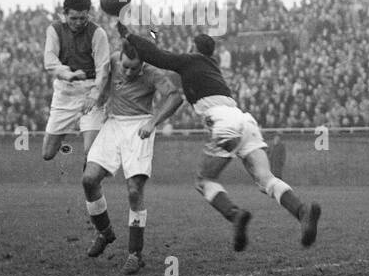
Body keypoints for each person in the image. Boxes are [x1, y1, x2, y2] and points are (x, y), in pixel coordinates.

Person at [116, 19, 320, 252]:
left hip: (225, 123)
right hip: (245, 120)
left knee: (204, 182)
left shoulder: (191, 60)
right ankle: (302, 212)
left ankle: (235, 216)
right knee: (266, 179)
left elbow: (157, 55)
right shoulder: (212, 68)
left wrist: (129, 36)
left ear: (193, 49)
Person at [82, 40, 183, 274]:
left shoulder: (152, 73)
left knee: (134, 190)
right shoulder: (114, 59)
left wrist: (152, 122)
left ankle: (135, 254)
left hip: (139, 126)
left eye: (133, 68)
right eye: (125, 66)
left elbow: (176, 97)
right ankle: (105, 232)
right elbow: (101, 82)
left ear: (143, 63)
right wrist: (96, 98)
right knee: (88, 179)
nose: (127, 72)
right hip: (114, 123)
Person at [42, 0, 110, 161]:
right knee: (47, 153)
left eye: (82, 18)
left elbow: (103, 68)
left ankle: (91, 185)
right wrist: (68, 75)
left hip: (90, 91)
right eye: (73, 18)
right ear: (65, 14)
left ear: (88, 14)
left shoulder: (97, 33)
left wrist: (95, 95)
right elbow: (50, 60)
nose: (78, 23)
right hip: (65, 92)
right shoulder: (55, 29)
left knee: (90, 152)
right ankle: (66, 131)